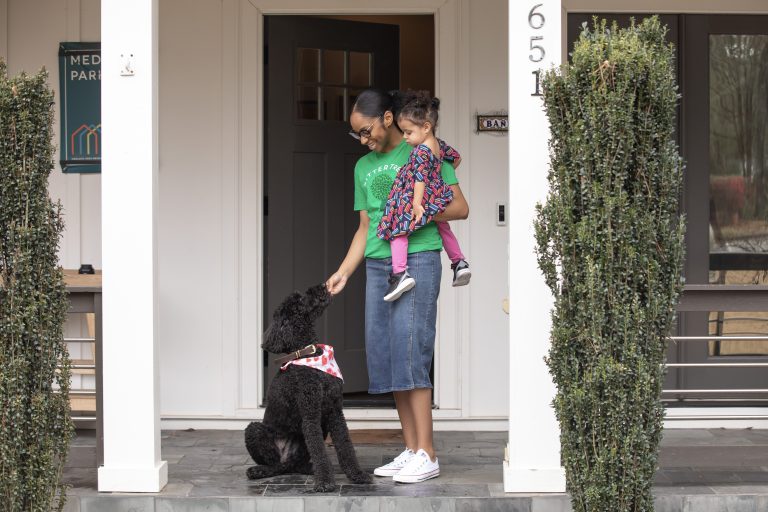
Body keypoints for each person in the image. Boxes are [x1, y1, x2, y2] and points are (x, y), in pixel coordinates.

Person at [325, 89, 469, 483]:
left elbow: (459, 207)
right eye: (357, 135)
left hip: (418, 259)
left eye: (366, 130)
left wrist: (410, 213)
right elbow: (365, 228)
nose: (363, 140)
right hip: (376, 266)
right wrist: (343, 271)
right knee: (389, 357)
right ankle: (411, 450)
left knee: (411, 351)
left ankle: (428, 452)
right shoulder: (362, 168)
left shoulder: (422, 147)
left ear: (388, 118)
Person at [376, 90, 471, 302]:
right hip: (438, 195)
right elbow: (456, 159)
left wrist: (417, 204)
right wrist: (437, 175)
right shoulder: (437, 145)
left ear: (426, 127)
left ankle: (400, 273)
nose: (405, 137)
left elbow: (419, 178)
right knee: (443, 226)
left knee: (398, 229)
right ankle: (459, 262)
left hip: (417, 197)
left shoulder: (420, 151)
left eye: (408, 132)